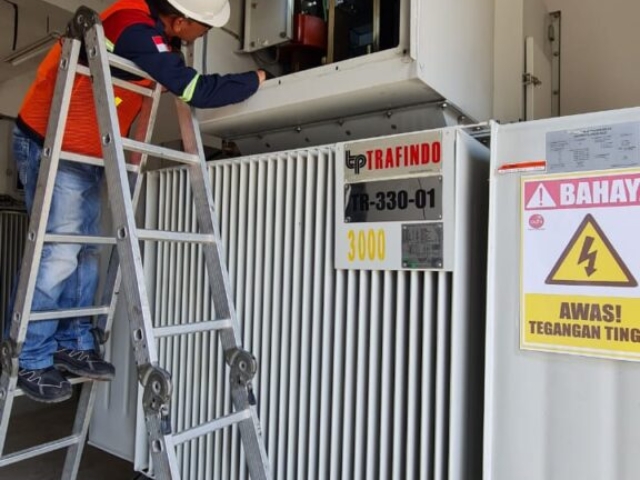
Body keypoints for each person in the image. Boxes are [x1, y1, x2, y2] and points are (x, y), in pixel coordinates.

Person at [11, 0, 266, 403]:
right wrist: (256, 78)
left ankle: (72, 341)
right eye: (203, 29)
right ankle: (30, 356)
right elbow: (196, 90)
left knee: (85, 252)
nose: (202, 38)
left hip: (84, 150)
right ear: (179, 21)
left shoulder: (155, 34)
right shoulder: (134, 28)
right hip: (52, 143)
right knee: (59, 253)